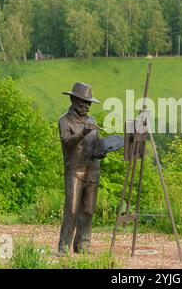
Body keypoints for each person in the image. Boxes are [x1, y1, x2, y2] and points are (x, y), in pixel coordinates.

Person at [57, 82, 107, 254]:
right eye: (82, 102)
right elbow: (67, 142)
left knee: (88, 210)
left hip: (93, 170)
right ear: (72, 99)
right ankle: (63, 248)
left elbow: (96, 143)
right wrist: (83, 133)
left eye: (89, 103)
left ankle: (83, 246)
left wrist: (103, 150)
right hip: (75, 172)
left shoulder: (92, 121)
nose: (86, 106)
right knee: (71, 210)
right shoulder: (65, 121)